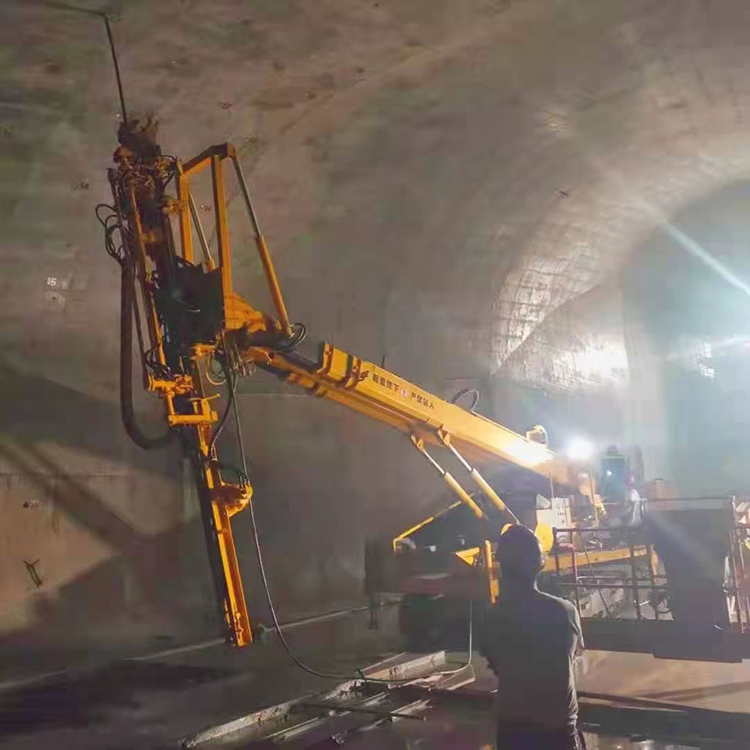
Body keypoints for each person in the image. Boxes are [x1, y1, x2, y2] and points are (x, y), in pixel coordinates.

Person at [479, 525, 585, 749]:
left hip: (513, 728)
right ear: (539, 563)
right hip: (556, 730)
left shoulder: (492, 617)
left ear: (502, 566)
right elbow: (572, 656)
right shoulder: (563, 611)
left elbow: (496, 664)